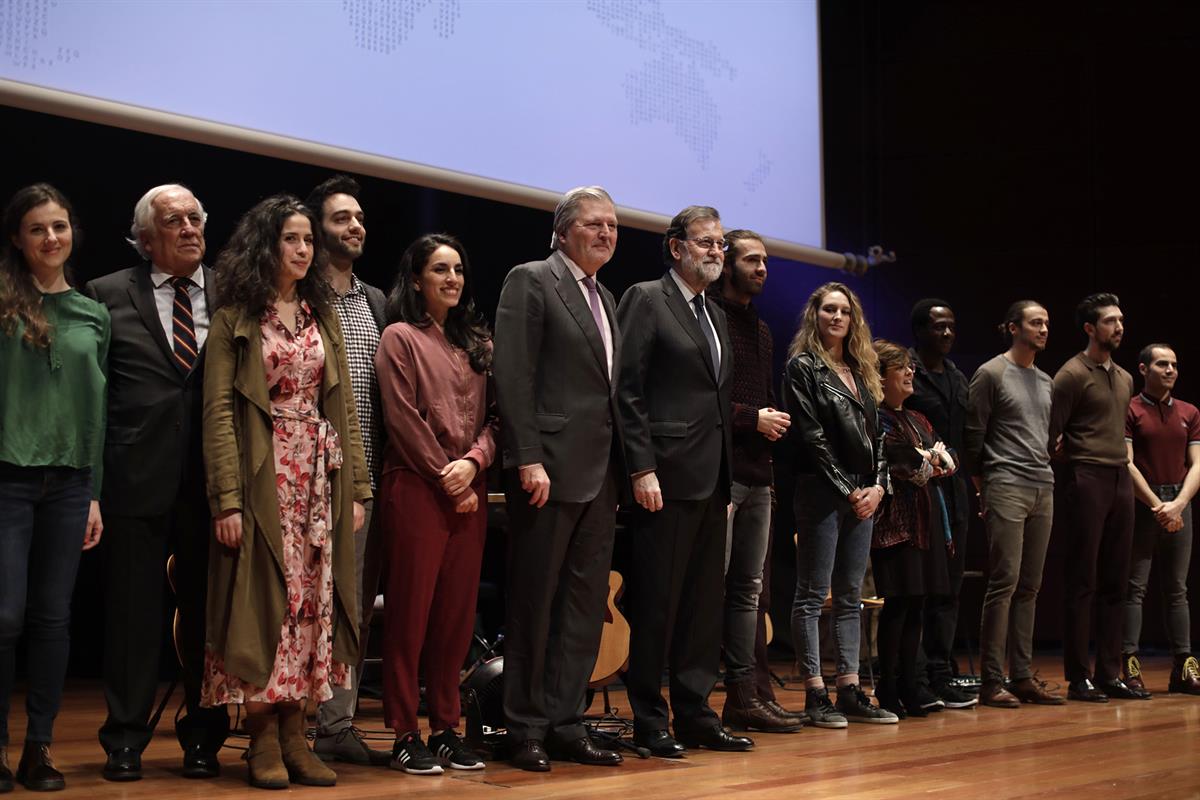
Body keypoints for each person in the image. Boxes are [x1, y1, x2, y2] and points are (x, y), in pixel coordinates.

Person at [202, 194, 370, 789]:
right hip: (262, 476)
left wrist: (357, 490)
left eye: (306, 241)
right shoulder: (234, 320)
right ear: (265, 246)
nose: (302, 250)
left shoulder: (320, 317)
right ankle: (263, 737)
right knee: (265, 604)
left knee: (310, 605)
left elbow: (344, 405)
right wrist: (226, 498)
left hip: (318, 481)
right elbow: (220, 412)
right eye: (290, 240)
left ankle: (298, 732)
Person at [85, 183, 230, 782]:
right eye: (175, 220)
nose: (191, 227)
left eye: (197, 217)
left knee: (207, 616)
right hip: (134, 477)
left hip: (212, 484)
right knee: (132, 617)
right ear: (146, 238)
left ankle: (203, 737)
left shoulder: (231, 293)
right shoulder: (106, 295)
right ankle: (125, 738)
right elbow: (95, 398)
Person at [493, 186, 626, 771]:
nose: (606, 234)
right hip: (546, 470)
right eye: (595, 225)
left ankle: (567, 720)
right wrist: (526, 456)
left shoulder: (609, 299)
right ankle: (524, 727)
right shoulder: (531, 279)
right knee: (534, 604)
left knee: (582, 606)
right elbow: (513, 374)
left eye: (613, 227)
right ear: (563, 231)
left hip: (599, 476)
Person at [617, 205, 754, 755]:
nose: (716, 251)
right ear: (676, 248)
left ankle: (696, 713)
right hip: (664, 477)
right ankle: (650, 718)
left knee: (702, 605)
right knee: (657, 603)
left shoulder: (716, 312)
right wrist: (641, 466)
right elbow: (627, 389)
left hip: (712, 480)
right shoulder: (647, 298)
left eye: (720, 243)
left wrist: (725, 478)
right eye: (705, 242)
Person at [374, 234, 497, 774]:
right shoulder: (399, 337)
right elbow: (401, 416)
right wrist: (447, 475)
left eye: (458, 270)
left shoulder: (477, 344)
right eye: (440, 269)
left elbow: (499, 420)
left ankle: (446, 726)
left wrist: (473, 462)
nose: (452, 279)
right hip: (417, 489)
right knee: (410, 615)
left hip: (469, 491)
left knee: (455, 618)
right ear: (417, 278)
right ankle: (405, 730)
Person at [0, 183, 108, 792]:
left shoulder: (92, 315)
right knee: (4, 616)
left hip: (70, 483)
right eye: (38, 228)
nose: (51, 238)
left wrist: (94, 491)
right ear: (18, 236)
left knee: (51, 619)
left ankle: (39, 748)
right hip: (7, 477)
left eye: (60, 227)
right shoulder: (2, 301)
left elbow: (96, 412)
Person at [781, 281, 897, 727]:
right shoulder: (803, 367)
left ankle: (850, 689)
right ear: (816, 315)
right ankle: (815, 693)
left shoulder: (861, 366)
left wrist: (879, 486)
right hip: (822, 491)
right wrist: (849, 488)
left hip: (863, 494)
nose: (836, 317)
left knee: (851, 594)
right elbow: (811, 437)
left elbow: (879, 437)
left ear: (854, 319)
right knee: (812, 594)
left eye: (844, 311)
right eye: (829, 310)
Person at [303, 175, 390, 766]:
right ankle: (291, 721)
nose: (354, 226)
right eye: (341, 218)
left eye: (358, 217)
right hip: (302, 476)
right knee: (301, 601)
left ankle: (336, 721)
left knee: (351, 605)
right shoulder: (297, 295)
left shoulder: (377, 301)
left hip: (367, 478)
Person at [706, 229, 802, 733]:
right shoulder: (709, 318)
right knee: (713, 591)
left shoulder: (762, 331)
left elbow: (763, 396)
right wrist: (753, 419)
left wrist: (768, 460)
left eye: (765, 261)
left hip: (758, 476)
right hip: (720, 476)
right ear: (726, 265)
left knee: (749, 592)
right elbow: (705, 398)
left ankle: (745, 696)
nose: (762, 268)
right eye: (751, 260)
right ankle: (701, 700)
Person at [964, 300, 1064, 707]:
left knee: (1031, 586)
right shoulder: (990, 373)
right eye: (1035, 322)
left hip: (1043, 485)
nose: (1043, 329)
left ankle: (1021, 675)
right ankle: (992, 680)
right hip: (1005, 483)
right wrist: (983, 489)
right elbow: (973, 437)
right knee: (1003, 582)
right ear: (1011, 327)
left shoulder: (1045, 380)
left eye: (1046, 322)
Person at [1050, 292, 1146, 702]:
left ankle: (1110, 672)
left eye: (1121, 320)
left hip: (1119, 476)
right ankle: (1078, 675)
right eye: (1110, 321)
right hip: (1085, 475)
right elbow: (1052, 433)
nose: (1119, 327)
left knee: (1115, 580)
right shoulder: (1071, 373)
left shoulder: (1125, 377)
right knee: (1082, 579)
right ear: (1090, 328)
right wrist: (1072, 467)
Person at [869, 340, 954, 719]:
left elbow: (945, 462)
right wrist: (928, 459)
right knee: (898, 606)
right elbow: (904, 463)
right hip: (896, 524)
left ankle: (910, 684)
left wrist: (931, 459)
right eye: (901, 368)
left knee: (917, 603)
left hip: (926, 522)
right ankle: (888, 687)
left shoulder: (919, 420)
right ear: (881, 375)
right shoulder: (878, 417)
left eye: (911, 368)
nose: (910, 373)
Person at [905, 299, 976, 710]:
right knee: (921, 587)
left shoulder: (957, 376)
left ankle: (941, 672)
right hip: (919, 489)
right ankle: (916, 676)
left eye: (951, 327)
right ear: (919, 331)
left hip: (955, 488)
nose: (946, 334)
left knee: (950, 586)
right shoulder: (905, 370)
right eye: (938, 328)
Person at [1122, 344, 1200, 695]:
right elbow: (1126, 463)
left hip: (1180, 503)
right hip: (1143, 503)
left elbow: (1197, 463)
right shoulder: (1130, 408)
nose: (1170, 370)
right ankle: (1129, 664)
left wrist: (1179, 504)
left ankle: (1184, 666)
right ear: (1143, 369)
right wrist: (1158, 506)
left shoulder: (1189, 411)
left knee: (1177, 590)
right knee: (1134, 587)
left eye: (1174, 364)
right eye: (1162, 364)